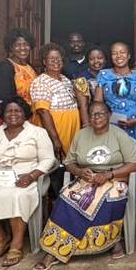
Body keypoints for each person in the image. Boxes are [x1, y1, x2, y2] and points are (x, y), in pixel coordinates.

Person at [34, 100, 136, 270]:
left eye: (100, 113)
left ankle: (111, 241)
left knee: (106, 198)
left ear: (109, 115)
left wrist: (108, 175)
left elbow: (134, 164)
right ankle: (53, 250)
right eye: (92, 114)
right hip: (86, 179)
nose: (96, 117)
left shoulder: (119, 134)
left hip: (114, 179)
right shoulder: (81, 135)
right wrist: (79, 171)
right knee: (66, 197)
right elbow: (69, 163)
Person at [0, 97, 56, 267]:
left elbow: (48, 159)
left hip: (27, 178)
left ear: (25, 114)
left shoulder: (38, 132)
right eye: (9, 111)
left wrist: (32, 176)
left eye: (17, 111)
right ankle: (1, 238)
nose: (13, 114)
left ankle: (17, 243)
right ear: (3, 114)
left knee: (17, 197)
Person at [96, 42, 136, 204]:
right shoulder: (104, 75)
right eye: (115, 53)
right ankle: (114, 200)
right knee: (113, 162)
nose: (118, 56)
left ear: (128, 56)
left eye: (122, 52)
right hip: (112, 128)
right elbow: (98, 103)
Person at [30, 43, 80, 194]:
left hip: (70, 133)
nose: (56, 62)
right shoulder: (41, 82)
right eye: (52, 59)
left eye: (58, 58)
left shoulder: (65, 80)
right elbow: (43, 112)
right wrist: (55, 139)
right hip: (55, 134)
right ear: (44, 62)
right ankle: (55, 203)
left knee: (69, 169)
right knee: (56, 172)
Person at [0, 28, 37, 128]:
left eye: (26, 44)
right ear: (10, 47)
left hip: (34, 120)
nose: (22, 48)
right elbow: (4, 98)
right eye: (17, 45)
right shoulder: (4, 67)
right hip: (16, 120)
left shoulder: (31, 68)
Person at [72, 47, 108, 126]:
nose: (96, 61)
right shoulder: (81, 79)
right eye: (92, 59)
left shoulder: (110, 75)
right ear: (88, 61)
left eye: (100, 58)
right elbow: (83, 105)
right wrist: (86, 125)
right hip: (92, 119)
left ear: (105, 60)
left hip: (110, 119)